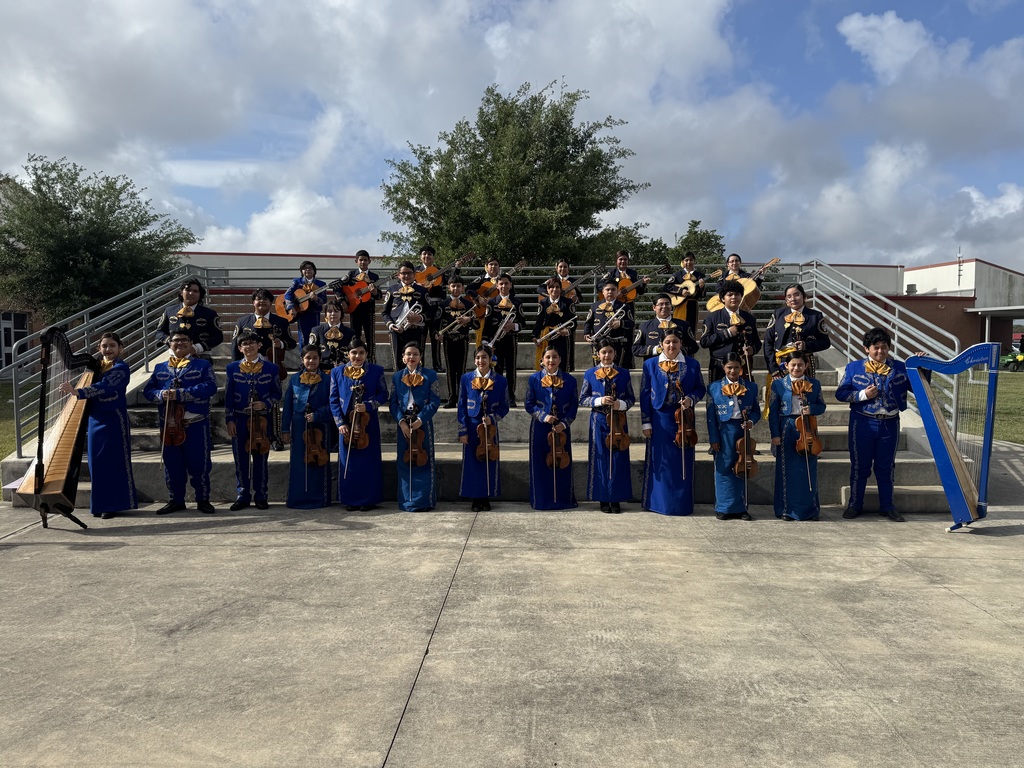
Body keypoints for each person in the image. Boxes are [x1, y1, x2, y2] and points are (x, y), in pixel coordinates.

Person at [57, 331, 138, 519]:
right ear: (99, 349)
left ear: (120, 348)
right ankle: (100, 504)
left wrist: (79, 392)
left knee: (112, 462)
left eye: (112, 346)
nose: (108, 349)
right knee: (97, 463)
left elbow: (105, 387)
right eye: (104, 346)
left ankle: (113, 505)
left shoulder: (121, 368)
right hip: (95, 420)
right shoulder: (95, 368)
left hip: (113, 419)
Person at [835, 327, 912, 522]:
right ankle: (855, 504)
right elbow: (841, 393)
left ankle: (887, 506)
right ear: (866, 349)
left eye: (884, 348)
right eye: (876, 348)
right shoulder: (853, 368)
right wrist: (862, 395)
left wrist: (922, 366)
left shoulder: (901, 367)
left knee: (886, 467)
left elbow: (920, 387)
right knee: (860, 466)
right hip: (862, 422)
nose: (880, 352)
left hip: (890, 423)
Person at [142, 333, 218, 515]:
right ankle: (175, 500)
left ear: (192, 344)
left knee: (199, 464)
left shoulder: (203, 365)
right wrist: (161, 394)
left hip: (195, 423)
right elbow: (148, 390)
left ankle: (203, 499)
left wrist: (182, 393)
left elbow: (210, 387)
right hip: (169, 424)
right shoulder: (160, 367)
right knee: (172, 464)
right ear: (169, 344)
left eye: (185, 340)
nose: (180, 343)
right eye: (176, 340)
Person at [639, 330, 706, 516]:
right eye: (667, 342)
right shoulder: (650, 364)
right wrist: (646, 422)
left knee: (681, 461)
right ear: (661, 344)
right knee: (661, 462)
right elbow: (644, 394)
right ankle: (658, 503)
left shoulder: (692, 364)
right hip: (660, 419)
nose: (671, 346)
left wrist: (691, 400)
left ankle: (681, 504)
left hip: (684, 420)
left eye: (675, 342)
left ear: (681, 343)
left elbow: (701, 388)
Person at [225, 330, 282, 511]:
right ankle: (242, 495)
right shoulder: (232, 368)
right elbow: (227, 397)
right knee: (240, 459)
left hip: (261, 421)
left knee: (260, 459)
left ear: (259, 345)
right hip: (240, 419)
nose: (248, 346)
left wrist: (264, 403)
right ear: (240, 348)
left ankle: (261, 495)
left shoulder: (271, 368)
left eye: (252, 343)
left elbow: (277, 394)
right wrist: (229, 420)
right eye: (244, 344)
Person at [330, 341, 388, 511]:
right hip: (346, 424)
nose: (357, 356)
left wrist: (369, 405)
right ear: (348, 354)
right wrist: (340, 423)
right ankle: (350, 499)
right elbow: (333, 400)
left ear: (366, 353)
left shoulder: (376, 371)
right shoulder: (337, 372)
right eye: (354, 352)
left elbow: (384, 394)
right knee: (348, 462)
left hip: (367, 424)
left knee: (368, 462)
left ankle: (369, 499)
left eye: (361, 352)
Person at [769, 351, 826, 521]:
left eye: (800, 364)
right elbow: (772, 412)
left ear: (806, 366)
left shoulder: (814, 383)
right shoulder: (778, 384)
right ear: (786, 366)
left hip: (808, 428)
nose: (796, 368)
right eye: (793, 364)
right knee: (787, 470)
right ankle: (787, 510)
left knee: (808, 469)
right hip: (787, 427)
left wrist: (812, 409)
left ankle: (810, 510)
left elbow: (821, 406)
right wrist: (775, 435)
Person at [579, 342, 635, 513]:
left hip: (618, 420)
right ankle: (603, 498)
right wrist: (599, 400)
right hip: (598, 420)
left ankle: (616, 498)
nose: (607, 355)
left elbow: (631, 399)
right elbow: (583, 399)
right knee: (600, 458)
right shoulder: (590, 373)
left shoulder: (624, 373)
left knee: (618, 458)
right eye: (603, 352)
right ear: (598, 354)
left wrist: (620, 404)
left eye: (610, 352)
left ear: (615, 354)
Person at [707, 353, 761, 520]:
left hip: (742, 430)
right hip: (724, 431)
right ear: (724, 368)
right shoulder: (714, 387)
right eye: (729, 367)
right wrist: (714, 439)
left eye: (736, 367)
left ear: (741, 368)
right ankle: (723, 507)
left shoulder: (751, 387)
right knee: (724, 467)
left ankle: (741, 508)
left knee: (742, 468)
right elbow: (710, 417)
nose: (733, 370)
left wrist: (751, 421)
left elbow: (756, 411)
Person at [389, 342, 441, 511]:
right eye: (408, 354)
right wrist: (401, 422)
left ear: (420, 357)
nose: (412, 357)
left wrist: (421, 419)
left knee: (424, 462)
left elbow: (435, 401)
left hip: (422, 423)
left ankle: (424, 501)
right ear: (403, 357)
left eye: (415, 354)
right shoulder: (397, 377)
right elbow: (393, 403)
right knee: (404, 461)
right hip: (404, 424)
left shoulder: (430, 375)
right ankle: (407, 500)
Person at [525, 348, 579, 510]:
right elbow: (529, 405)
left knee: (562, 464)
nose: (551, 360)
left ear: (560, 359)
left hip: (561, 429)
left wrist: (564, 424)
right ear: (542, 360)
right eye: (547, 357)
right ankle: (540, 500)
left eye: (554, 357)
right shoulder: (534, 379)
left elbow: (573, 407)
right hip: (540, 428)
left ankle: (564, 500)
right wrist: (544, 416)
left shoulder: (570, 380)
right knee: (540, 464)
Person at [457, 347, 510, 511]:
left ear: (490, 359)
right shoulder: (466, 378)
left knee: (489, 460)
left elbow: (505, 406)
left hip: (490, 429)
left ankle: (486, 496)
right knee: (473, 462)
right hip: (472, 426)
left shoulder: (500, 380)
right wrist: (463, 430)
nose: (481, 361)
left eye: (484, 357)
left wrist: (492, 418)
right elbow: (461, 406)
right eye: (478, 358)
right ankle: (475, 497)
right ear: (474, 360)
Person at [281, 346, 333, 509]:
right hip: (298, 425)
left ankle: (320, 498)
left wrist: (317, 415)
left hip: (319, 426)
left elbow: (333, 404)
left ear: (319, 359)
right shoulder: (295, 379)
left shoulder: (327, 379)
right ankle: (298, 498)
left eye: (315, 358)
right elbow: (288, 405)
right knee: (298, 462)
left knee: (319, 462)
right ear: (302, 359)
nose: (311, 361)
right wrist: (285, 429)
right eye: (308, 357)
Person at [763, 283, 832, 379]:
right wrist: (773, 368)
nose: (793, 299)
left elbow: (825, 342)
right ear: (786, 300)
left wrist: (806, 345)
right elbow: (768, 342)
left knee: (803, 393)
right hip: (781, 364)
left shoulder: (815, 316)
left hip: (804, 364)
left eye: (797, 295)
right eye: (789, 296)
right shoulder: (778, 314)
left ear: (804, 297)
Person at [700, 279, 761, 383]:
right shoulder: (712, 317)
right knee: (718, 396)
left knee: (744, 396)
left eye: (737, 294)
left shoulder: (749, 318)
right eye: (730, 295)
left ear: (741, 297)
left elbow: (757, 342)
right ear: (723, 298)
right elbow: (704, 342)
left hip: (743, 366)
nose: (734, 297)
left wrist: (753, 349)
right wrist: (726, 333)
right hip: (719, 366)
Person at [155, 278, 224, 358]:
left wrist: (198, 347)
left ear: (200, 294)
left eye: (195, 291)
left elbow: (218, 336)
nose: (191, 293)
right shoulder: (169, 311)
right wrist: (170, 341)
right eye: (188, 290)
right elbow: (159, 332)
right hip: (174, 357)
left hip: (201, 356)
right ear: (181, 292)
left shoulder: (210, 313)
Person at [482, 274, 523, 406]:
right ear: (497, 286)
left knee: (511, 370)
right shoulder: (492, 302)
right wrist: (486, 342)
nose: (504, 286)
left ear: (510, 285)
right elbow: (487, 324)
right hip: (496, 342)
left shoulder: (517, 302)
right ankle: (498, 396)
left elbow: (523, 323)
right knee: (497, 369)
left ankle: (511, 396)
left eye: (506, 283)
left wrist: (513, 326)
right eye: (501, 284)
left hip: (510, 340)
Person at [335, 250, 382, 365]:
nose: (363, 262)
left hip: (369, 311)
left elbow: (379, 296)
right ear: (356, 261)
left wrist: (374, 291)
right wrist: (342, 300)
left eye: (365, 260)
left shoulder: (374, 277)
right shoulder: (351, 274)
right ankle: (355, 360)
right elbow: (337, 286)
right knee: (355, 335)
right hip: (354, 309)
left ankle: (371, 360)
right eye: (361, 260)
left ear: (369, 261)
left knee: (370, 337)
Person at [437, 275, 477, 408]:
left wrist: (469, 320)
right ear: (449, 288)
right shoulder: (442, 304)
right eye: (453, 286)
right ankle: (451, 397)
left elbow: (477, 324)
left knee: (461, 370)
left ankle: (461, 397)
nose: (456, 288)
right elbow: (436, 323)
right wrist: (438, 334)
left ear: (463, 288)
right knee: (450, 369)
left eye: (458, 286)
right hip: (448, 340)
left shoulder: (468, 304)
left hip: (462, 340)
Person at [383, 261, 431, 369]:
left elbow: (430, 311)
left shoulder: (422, 290)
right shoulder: (392, 289)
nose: (406, 276)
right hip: (396, 330)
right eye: (403, 273)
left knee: (417, 362)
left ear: (414, 274)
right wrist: (391, 325)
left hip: (416, 330)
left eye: (409, 273)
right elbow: (385, 312)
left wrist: (419, 317)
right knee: (398, 362)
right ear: (398, 274)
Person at [633, 293, 697, 362]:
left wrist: (677, 350)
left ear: (671, 306)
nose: (664, 306)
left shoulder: (683, 325)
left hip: (679, 366)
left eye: (667, 304)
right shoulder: (645, 326)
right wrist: (655, 349)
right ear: (654, 307)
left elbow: (694, 347)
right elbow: (636, 349)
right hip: (654, 368)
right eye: (661, 304)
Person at [584, 280, 635, 368]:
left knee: (617, 370)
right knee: (599, 369)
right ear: (603, 292)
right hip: (599, 343)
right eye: (607, 290)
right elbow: (588, 322)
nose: (610, 292)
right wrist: (586, 334)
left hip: (618, 344)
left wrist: (621, 323)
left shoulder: (624, 306)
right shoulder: (595, 306)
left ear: (617, 291)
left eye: (613, 289)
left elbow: (631, 324)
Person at [532, 277, 575, 372]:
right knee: (546, 365)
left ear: (560, 289)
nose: (554, 289)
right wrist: (534, 335)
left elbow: (574, 322)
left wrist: (567, 331)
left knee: (562, 365)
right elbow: (539, 321)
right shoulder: (543, 303)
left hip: (562, 338)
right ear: (547, 289)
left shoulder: (567, 303)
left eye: (557, 287)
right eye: (551, 287)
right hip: (547, 337)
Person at [415, 245, 447, 371]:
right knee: (420, 337)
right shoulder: (415, 271)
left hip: (436, 308)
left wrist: (457, 268)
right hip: (421, 308)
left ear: (433, 257)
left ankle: (437, 365)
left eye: (429, 254)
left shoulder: (439, 270)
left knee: (436, 337)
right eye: (424, 254)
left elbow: (451, 281)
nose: (427, 256)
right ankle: (419, 364)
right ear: (420, 256)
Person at [283, 260, 327, 349]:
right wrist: (291, 307)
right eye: (305, 268)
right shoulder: (297, 282)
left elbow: (324, 300)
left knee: (314, 336)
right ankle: (303, 359)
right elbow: (287, 294)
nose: (307, 270)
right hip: (301, 313)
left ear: (314, 271)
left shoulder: (321, 284)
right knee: (303, 338)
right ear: (301, 271)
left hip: (314, 313)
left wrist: (316, 299)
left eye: (310, 268)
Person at [661, 251, 706, 329]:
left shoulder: (700, 276)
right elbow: (666, 286)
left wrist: (701, 288)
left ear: (694, 261)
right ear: (683, 262)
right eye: (686, 260)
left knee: (691, 328)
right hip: (679, 304)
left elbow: (702, 295)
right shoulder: (677, 275)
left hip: (692, 305)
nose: (689, 262)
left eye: (691, 260)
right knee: (678, 327)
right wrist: (681, 291)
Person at [307, 300, 354, 372]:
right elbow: (311, 350)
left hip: (344, 369)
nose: (333, 314)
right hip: (321, 369)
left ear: (341, 313)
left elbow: (353, 351)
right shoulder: (317, 330)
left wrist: (345, 363)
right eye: (329, 311)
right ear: (325, 314)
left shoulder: (349, 332)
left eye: (336, 311)